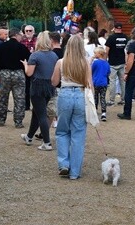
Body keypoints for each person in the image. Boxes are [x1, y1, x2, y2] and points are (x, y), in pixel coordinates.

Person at [53, 34, 92, 180]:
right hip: (81, 95)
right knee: (78, 134)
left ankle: (64, 164)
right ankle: (75, 172)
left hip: (65, 94)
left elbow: (54, 81)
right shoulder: (86, 63)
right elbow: (90, 84)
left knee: (62, 131)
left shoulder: (61, 62)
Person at [21, 31, 59, 151]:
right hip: (49, 85)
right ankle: (29, 136)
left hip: (37, 85)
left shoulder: (35, 55)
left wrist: (25, 65)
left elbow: (29, 73)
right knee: (37, 112)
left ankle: (47, 142)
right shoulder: (54, 55)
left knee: (41, 114)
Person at [0, 28, 30, 128]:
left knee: (3, 97)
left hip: (5, 73)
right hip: (18, 73)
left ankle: (1, 119)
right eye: (20, 35)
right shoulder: (22, 47)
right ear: (16, 35)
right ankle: (18, 121)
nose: (21, 36)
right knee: (19, 98)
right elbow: (29, 59)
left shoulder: (3, 46)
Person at [105, 22, 129, 106]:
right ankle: (124, 99)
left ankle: (112, 100)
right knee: (123, 82)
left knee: (112, 81)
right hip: (123, 62)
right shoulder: (126, 38)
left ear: (114, 28)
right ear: (121, 28)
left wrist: (105, 61)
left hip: (113, 63)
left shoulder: (111, 38)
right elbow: (128, 51)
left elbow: (106, 51)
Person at [91, 46, 110, 122]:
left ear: (99, 54)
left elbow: (91, 70)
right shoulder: (106, 63)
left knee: (95, 96)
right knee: (103, 97)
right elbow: (108, 72)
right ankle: (103, 112)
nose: (94, 54)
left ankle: (95, 110)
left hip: (96, 82)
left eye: (95, 53)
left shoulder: (95, 62)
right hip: (104, 82)